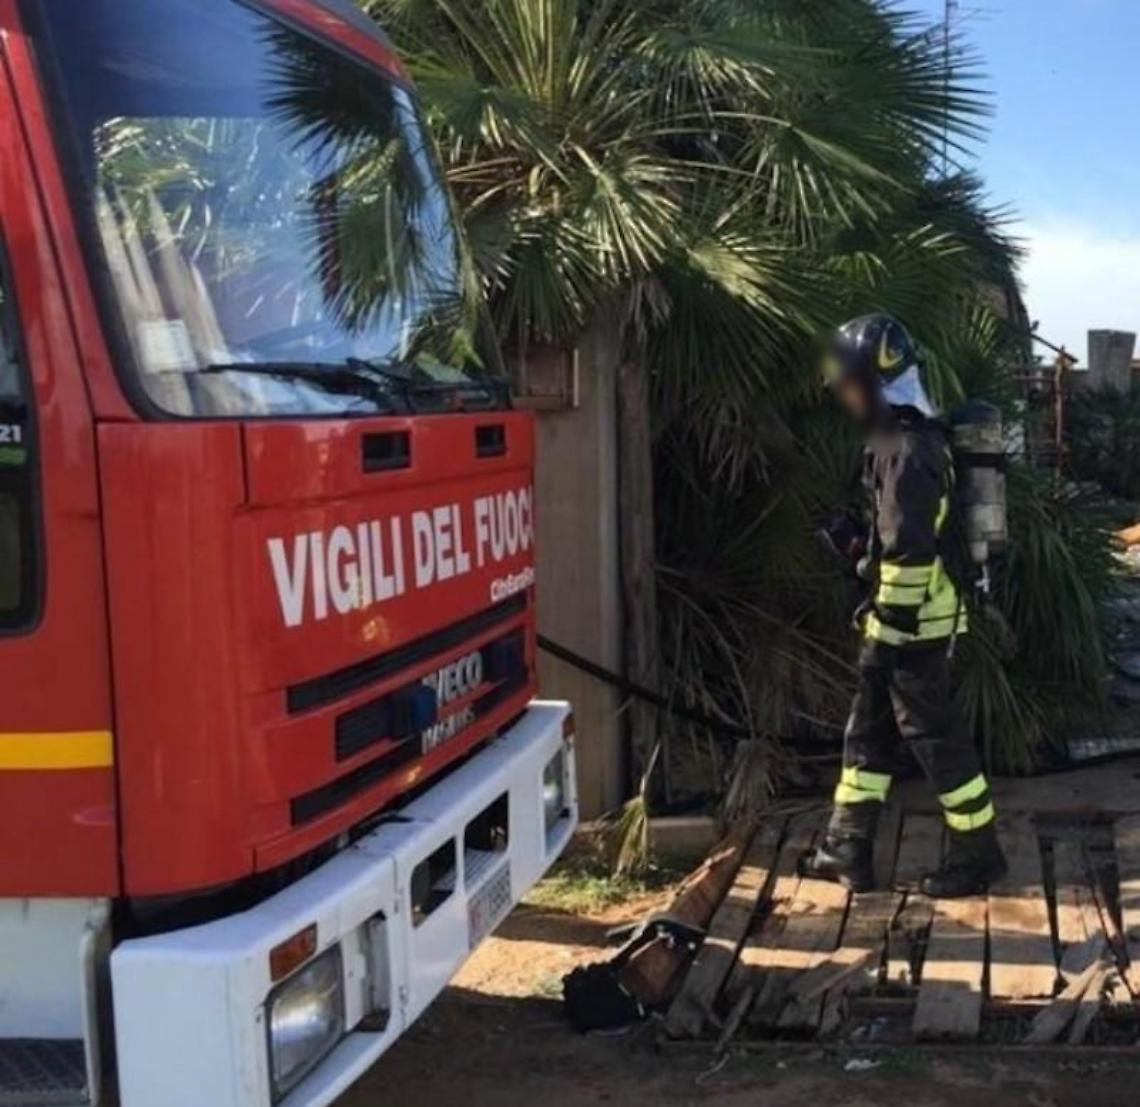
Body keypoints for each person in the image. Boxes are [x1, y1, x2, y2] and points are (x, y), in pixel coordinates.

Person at [801, 314, 1008, 898]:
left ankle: (978, 854)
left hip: (913, 624)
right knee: (866, 732)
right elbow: (904, 542)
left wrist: (886, 632)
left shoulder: (905, 450)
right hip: (903, 616)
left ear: (874, 380)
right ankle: (847, 848)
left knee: (934, 737)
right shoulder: (911, 441)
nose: (846, 399)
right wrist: (861, 552)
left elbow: (912, 555)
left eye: (849, 386)